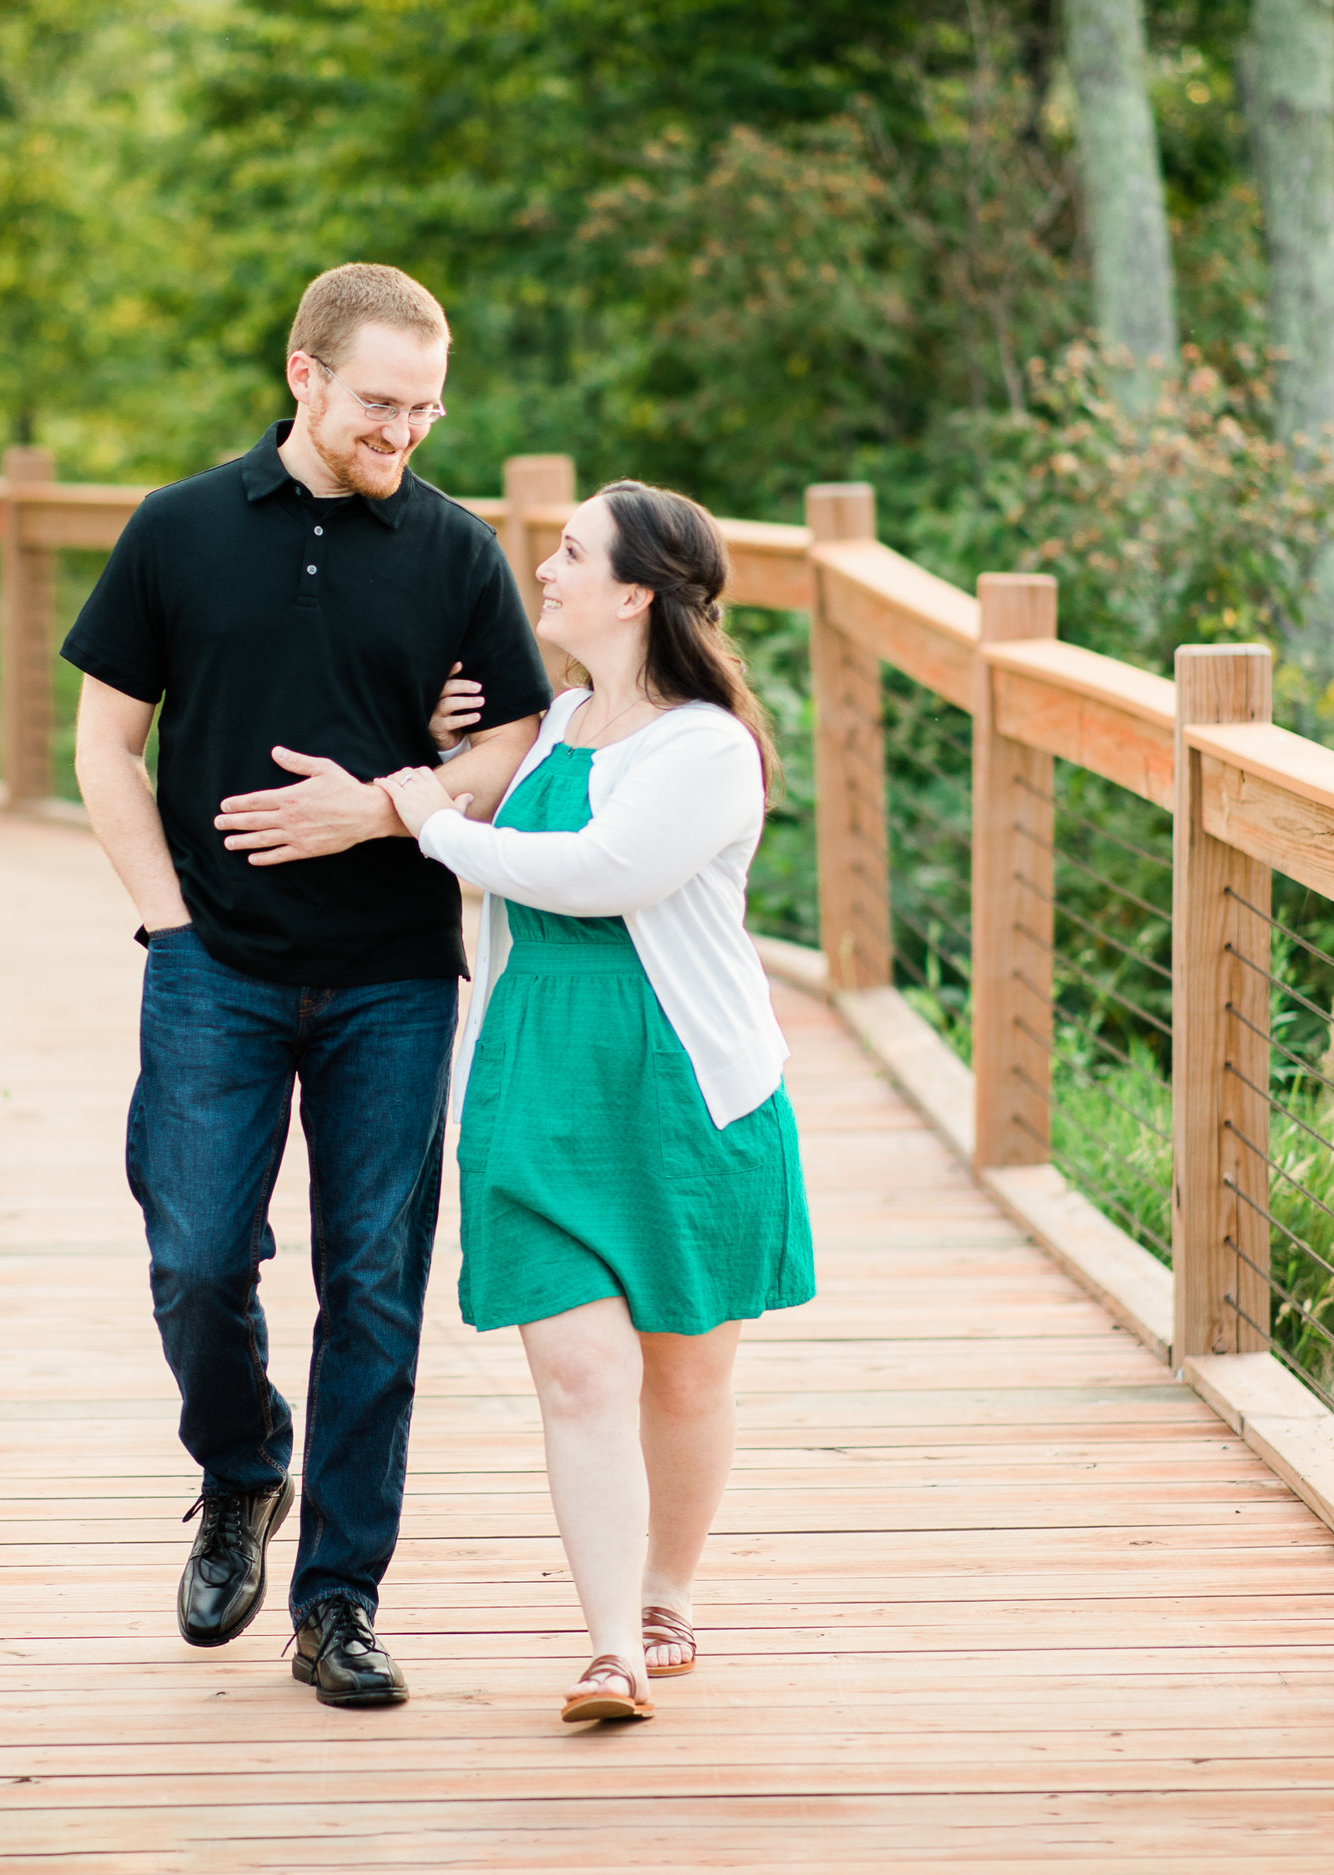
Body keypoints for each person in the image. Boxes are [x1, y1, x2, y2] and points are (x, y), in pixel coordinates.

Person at [62, 263, 552, 1707]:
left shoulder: (456, 552)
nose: (406, 431)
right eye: (380, 404)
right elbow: (105, 747)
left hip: (396, 971)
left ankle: (340, 1598)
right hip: (213, 963)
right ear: (305, 375)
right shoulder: (179, 531)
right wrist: (168, 924)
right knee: (197, 1255)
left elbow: (514, 735)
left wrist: (392, 805)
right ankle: (240, 1467)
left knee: (376, 1283)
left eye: (428, 408)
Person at [378, 481, 815, 1724]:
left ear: (635, 592)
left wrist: (433, 825)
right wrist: (440, 752)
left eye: (571, 552)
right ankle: (612, 1646)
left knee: (682, 1378)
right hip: (536, 1079)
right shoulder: (557, 717)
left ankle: (669, 1594)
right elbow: (470, 796)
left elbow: (602, 875)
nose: (546, 566)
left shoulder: (706, 746)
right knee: (578, 1375)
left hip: (685, 1091)